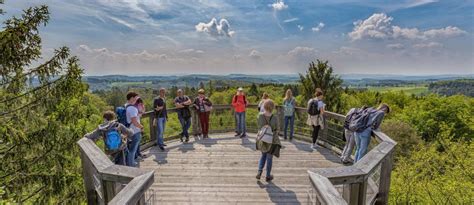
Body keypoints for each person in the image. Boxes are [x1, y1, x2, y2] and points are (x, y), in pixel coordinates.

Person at [255, 100, 281, 182]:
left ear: (264, 106)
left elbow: (259, 127)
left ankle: (259, 172)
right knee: (269, 158)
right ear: (272, 108)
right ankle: (267, 176)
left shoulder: (260, 116)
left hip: (263, 139)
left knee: (263, 156)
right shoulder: (275, 118)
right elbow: (277, 130)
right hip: (272, 141)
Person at [125, 91, 144, 167]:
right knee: (133, 149)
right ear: (132, 98)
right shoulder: (132, 108)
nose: (137, 98)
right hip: (135, 131)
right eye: (136, 97)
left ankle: (129, 162)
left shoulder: (126, 106)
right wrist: (141, 127)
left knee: (130, 148)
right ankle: (131, 164)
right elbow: (135, 122)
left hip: (128, 130)